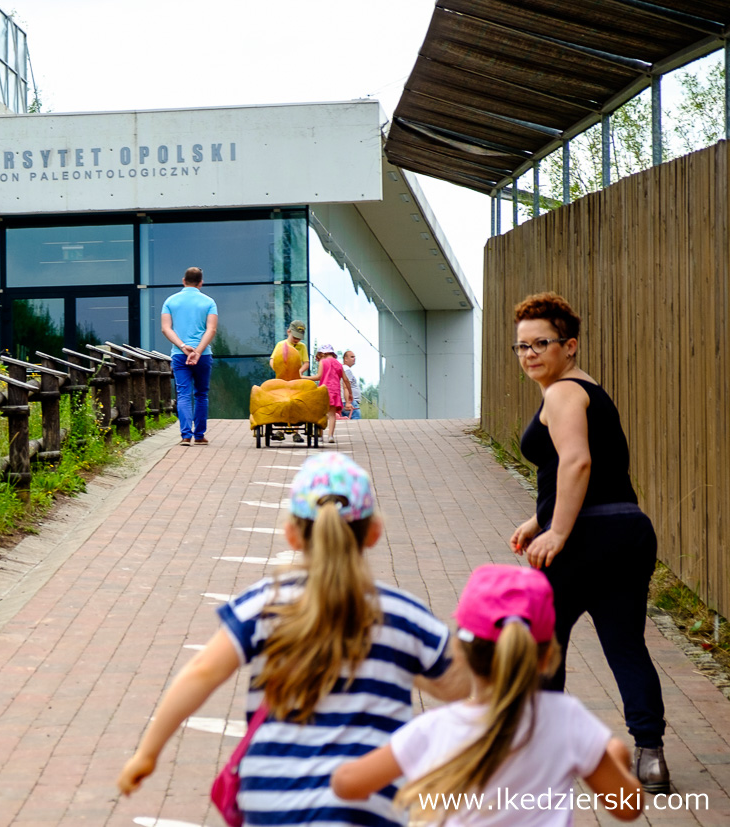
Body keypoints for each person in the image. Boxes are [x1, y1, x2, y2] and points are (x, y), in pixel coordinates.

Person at [117, 453, 468, 826]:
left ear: (291, 535)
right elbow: (460, 686)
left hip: (272, 801)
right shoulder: (404, 616)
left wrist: (148, 753)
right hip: (369, 805)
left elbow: (202, 672)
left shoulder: (264, 606)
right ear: (374, 532)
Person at [333, 564, 643, 825]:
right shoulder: (567, 719)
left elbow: (347, 784)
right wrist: (614, 755)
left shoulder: (435, 729)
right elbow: (628, 807)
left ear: (460, 651)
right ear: (547, 655)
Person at [506, 292, 668, 793]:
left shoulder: (561, 394)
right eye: (521, 346)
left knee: (543, 646)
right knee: (625, 646)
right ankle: (651, 757)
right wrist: (539, 520)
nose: (530, 354)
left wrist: (556, 530)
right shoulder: (588, 390)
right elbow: (580, 473)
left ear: (569, 345)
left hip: (583, 541)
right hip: (626, 530)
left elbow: (578, 462)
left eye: (541, 343)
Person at [161, 266, 218, 446]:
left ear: (183, 280)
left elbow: (166, 328)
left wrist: (183, 346)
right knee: (201, 394)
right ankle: (199, 435)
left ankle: (186, 435)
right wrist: (198, 351)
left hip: (179, 354)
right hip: (203, 355)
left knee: (183, 394)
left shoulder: (170, 301)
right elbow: (212, 329)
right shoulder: (209, 302)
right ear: (201, 283)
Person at [270, 321, 311, 442]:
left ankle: (296, 432)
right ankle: (281, 430)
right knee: (281, 402)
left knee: (297, 402)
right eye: (295, 337)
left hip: (296, 380)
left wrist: (299, 372)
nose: (296, 340)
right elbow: (272, 360)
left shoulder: (302, 347)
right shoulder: (280, 345)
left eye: (299, 338)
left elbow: (306, 363)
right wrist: (279, 370)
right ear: (289, 332)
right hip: (282, 379)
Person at [314, 344, 352, 443]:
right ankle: (330, 436)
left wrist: (304, 377)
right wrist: (350, 393)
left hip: (323, 391)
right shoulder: (339, 364)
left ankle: (320, 435)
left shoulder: (323, 362)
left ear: (323, 353)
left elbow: (318, 377)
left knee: (321, 414)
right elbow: (346, 380)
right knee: (332, 415)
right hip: (335, 392)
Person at [342, 350, 362, 419]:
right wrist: (348, 402)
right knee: (356, 419)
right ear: (346, 359)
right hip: (350, 402)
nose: (354, 359)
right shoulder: (347, 370)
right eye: (352, 357)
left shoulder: (343, 369)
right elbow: (346, 386)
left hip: (345, 401)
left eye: (354, 357)